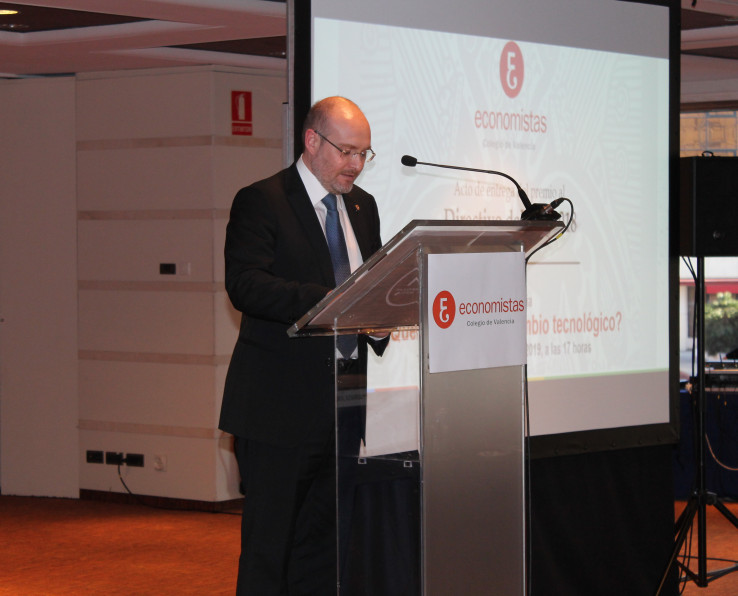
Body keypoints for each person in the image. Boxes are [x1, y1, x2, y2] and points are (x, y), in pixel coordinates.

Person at [219, 96, 386, 595]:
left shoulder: (363, 206)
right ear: (312, 141)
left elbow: (372, 284)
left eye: (364, 153)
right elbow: (245, 284)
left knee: (325, 550)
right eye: (346, 151)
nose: (356, 164)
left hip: (344, 405)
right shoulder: (262, 200)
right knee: (270, 552)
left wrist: (381, 318)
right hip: (278, 410)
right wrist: (330, 300)